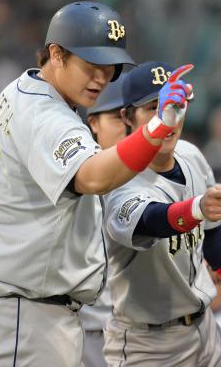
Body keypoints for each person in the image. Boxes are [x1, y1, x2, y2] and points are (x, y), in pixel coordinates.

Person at [0, 1, 195, 367]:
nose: (102, 77)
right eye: (91, 64)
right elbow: (93, 176)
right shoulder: (45, 113)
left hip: (23, 312)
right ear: (56, 54)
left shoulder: (22, 90)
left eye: (110, 67)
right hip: (21, 315)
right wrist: (158, 127)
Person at [102, 61, 221, 367]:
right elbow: (151, 220)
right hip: (147, 345)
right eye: (153, 108)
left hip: (205, 329)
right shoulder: (117, 173)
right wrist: (196, 208)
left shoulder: (190, 154)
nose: (168, 118)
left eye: (175, 106)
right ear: (126, 117)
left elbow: (213, 233)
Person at [80, 74, 127, 367]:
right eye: (116, 117)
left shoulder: (159, 171)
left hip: (141, 335)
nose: (127, 125)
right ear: (93, 123)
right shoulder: (76, 173)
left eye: (130, 115)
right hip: (89, 333)